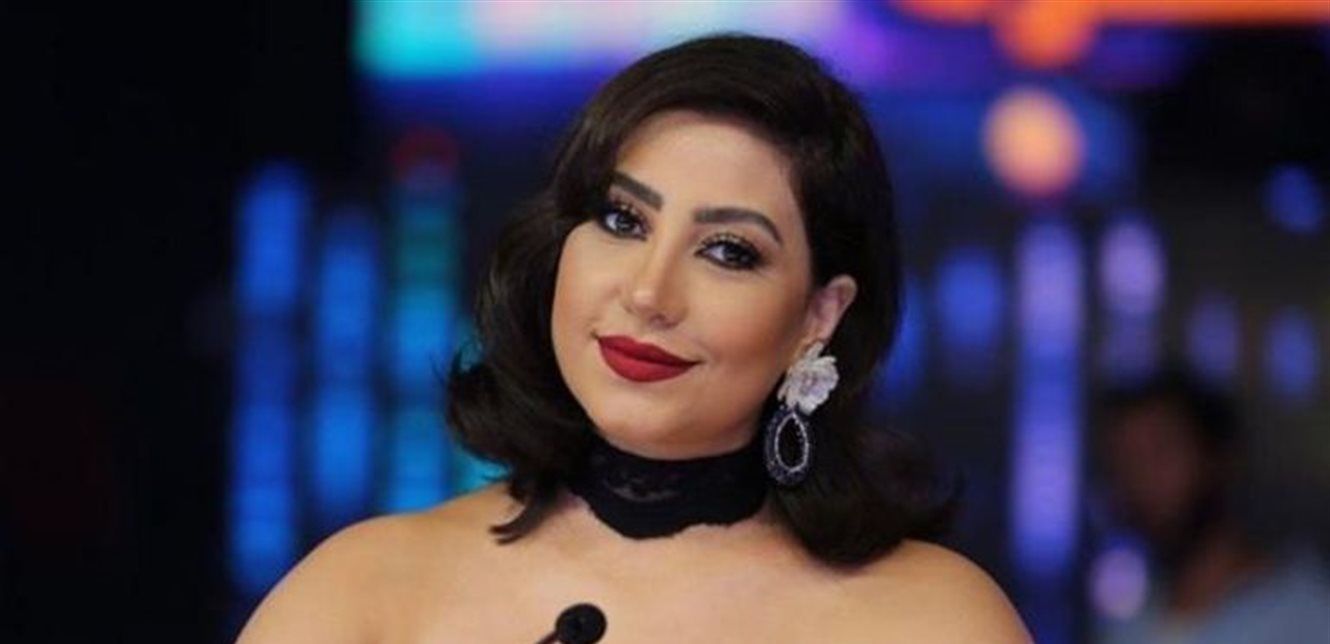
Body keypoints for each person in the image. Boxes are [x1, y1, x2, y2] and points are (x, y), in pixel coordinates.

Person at [238, 34, 1029, 643]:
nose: (649, 293)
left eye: (729, 252)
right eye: (623, 221)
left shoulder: (932, 620)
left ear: (819, 317)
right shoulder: (361, 594)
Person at [1093, 369, 1330, 643]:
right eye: (1125, 464)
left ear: (1218, 458)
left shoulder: (1308, 617)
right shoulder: (1127, 626)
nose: (1141, 482)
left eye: (1161, 455)